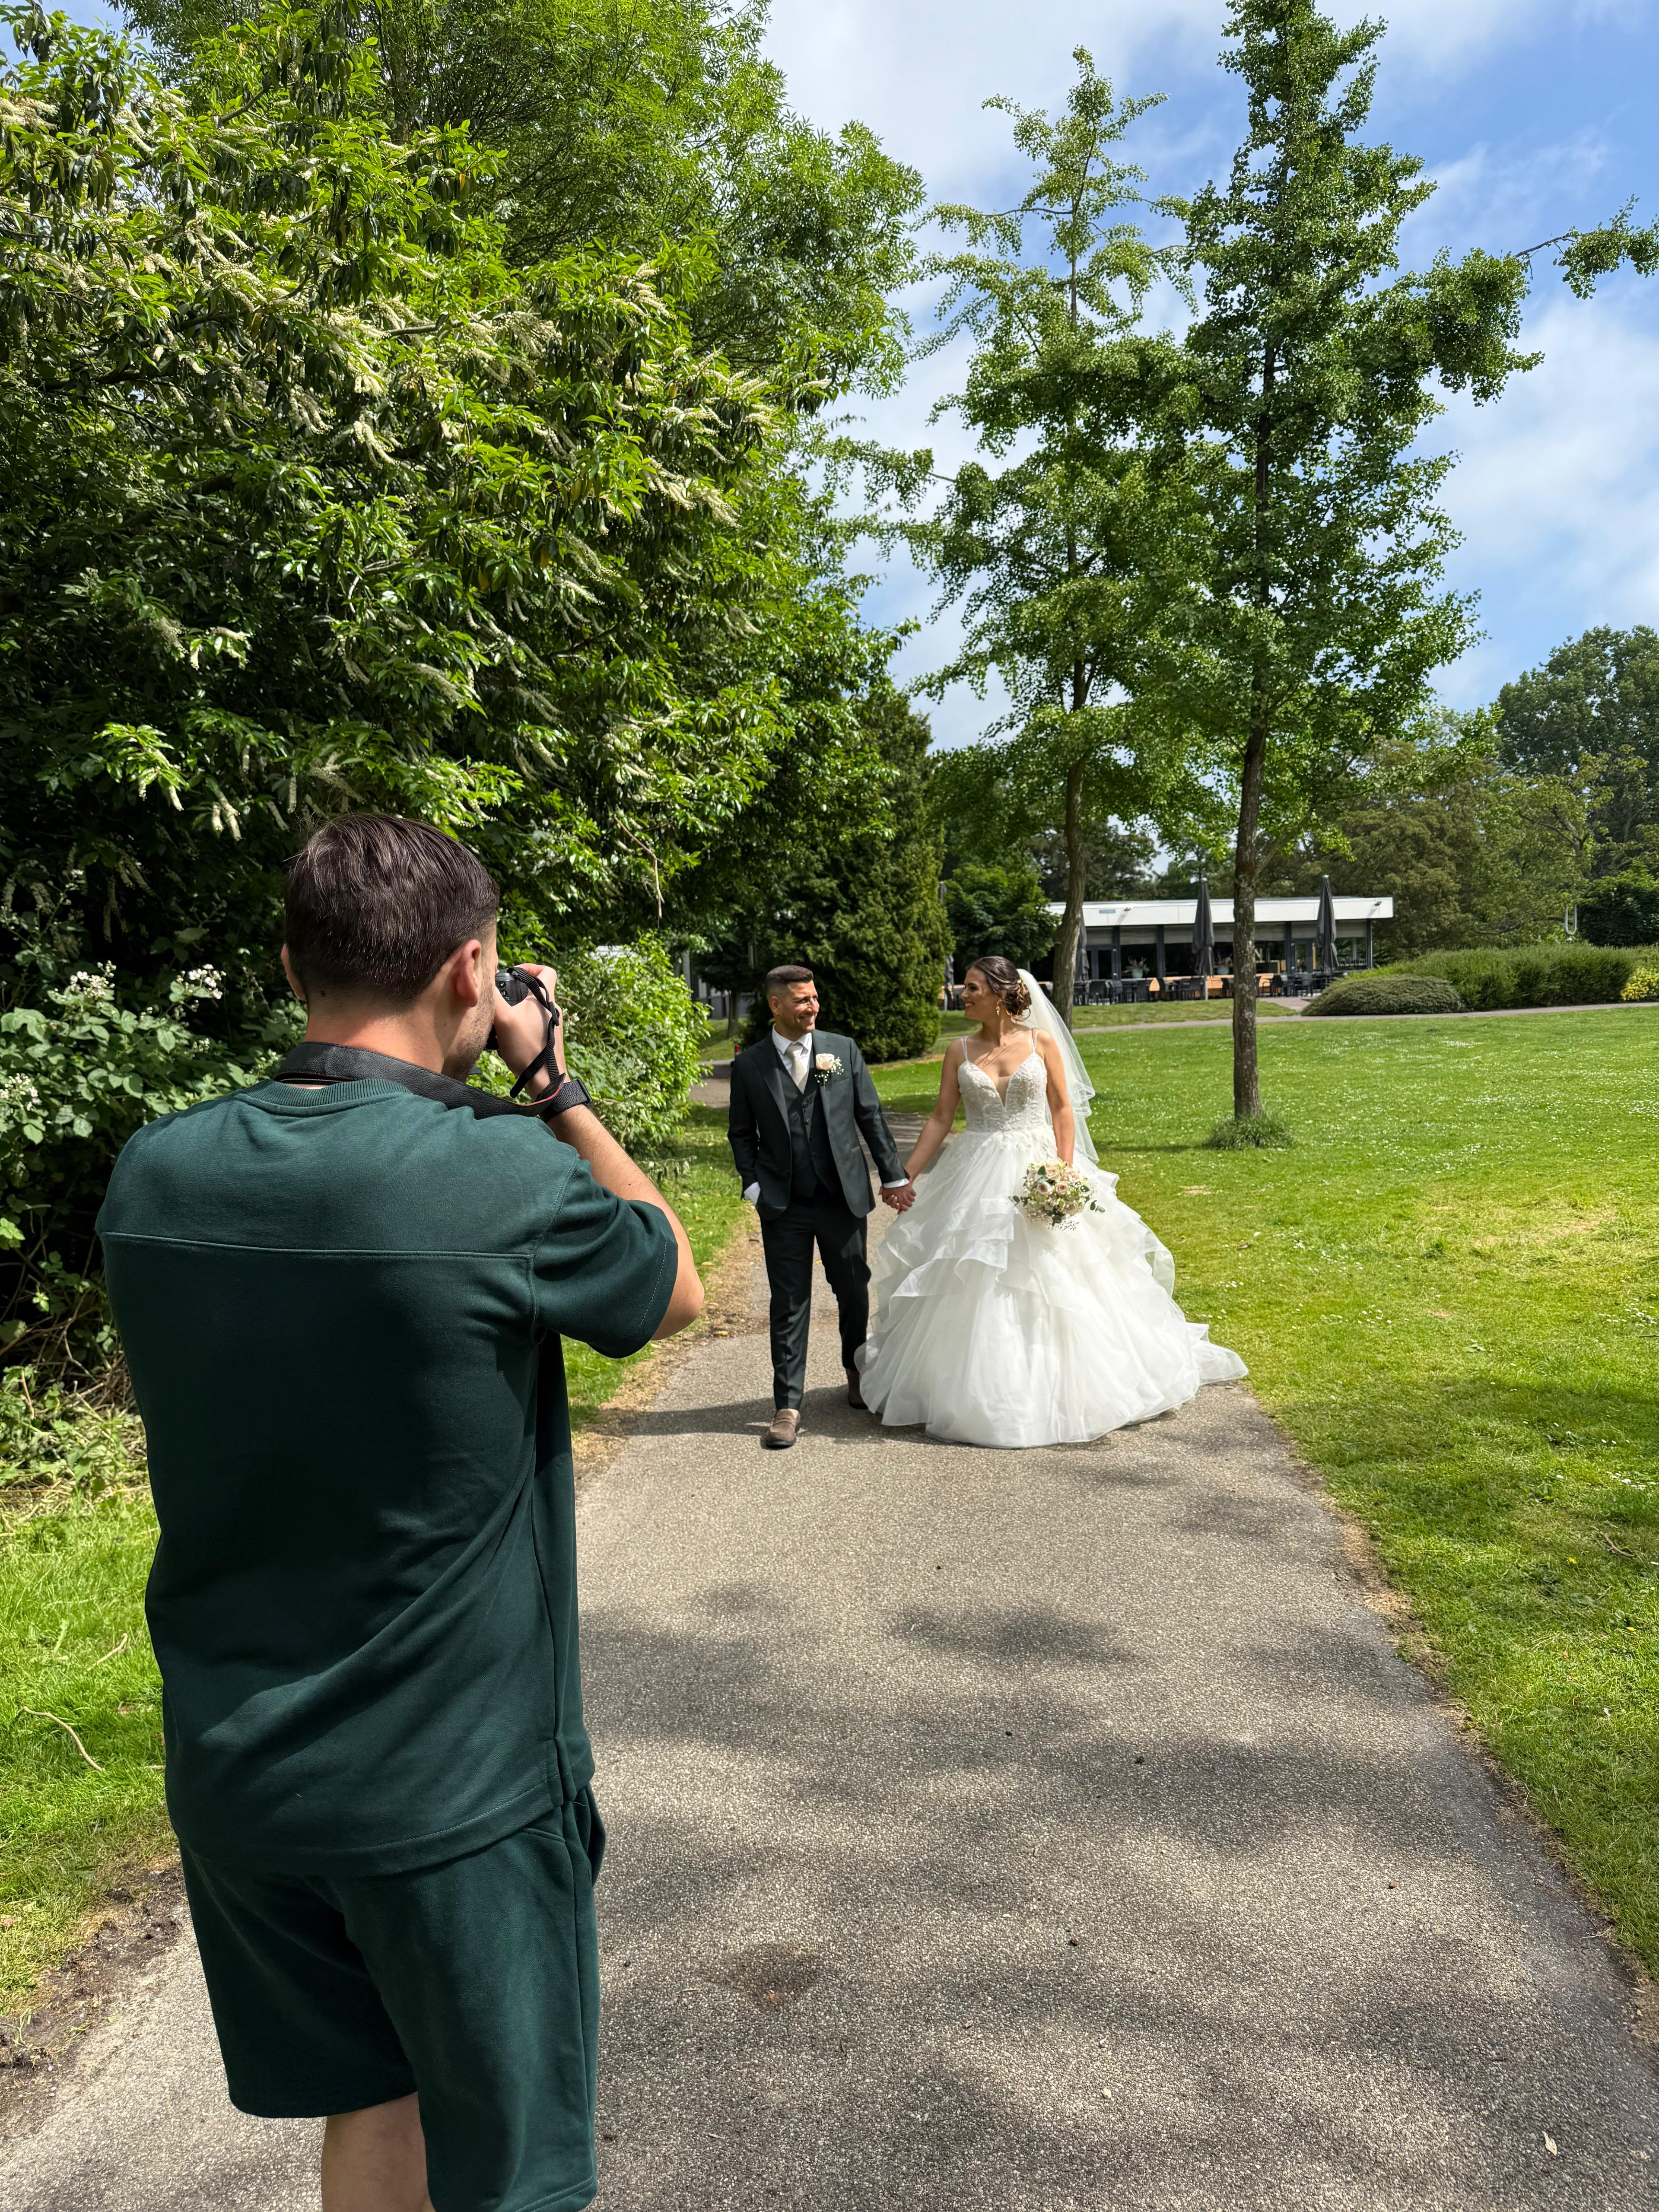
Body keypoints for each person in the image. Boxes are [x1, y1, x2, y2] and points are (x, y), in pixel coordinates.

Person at [97, 814, 704, 2212]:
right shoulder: (493, 1175)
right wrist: (546, 1074)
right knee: (512, 2175)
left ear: (291, 962)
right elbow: (667, 1279)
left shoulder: (157, 1175)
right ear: (472, 969)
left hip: (245, 1779)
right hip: (454, 1794)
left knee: (377, 2105)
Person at [857, 956, 1246, 1448]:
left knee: (1055, 1270)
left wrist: (1062, 1173)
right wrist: (902, 1176)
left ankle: (1072, 1381)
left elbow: (1063, 1108)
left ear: (1002, 992)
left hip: (1039, 1165)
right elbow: (940, 1118)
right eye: (964, 987)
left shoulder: (1041, 1042)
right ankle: (975, 1386)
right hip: (976, 1169)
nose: (963, 994)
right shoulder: (958, 1050)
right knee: (975, 1269)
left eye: (973, 987)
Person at [727, 964, 913, 1449]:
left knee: (853, 1288)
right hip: (783, 1203)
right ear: (776, 1005)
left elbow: (869, 1115)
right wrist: (753, 1186)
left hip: (842, 1196)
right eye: (803, 1000)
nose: (813, 1007)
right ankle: (787, 1404)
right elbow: (741, 1134)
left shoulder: (841, 1050)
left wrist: (893, 1175)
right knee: (789, 1301)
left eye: (814, 998)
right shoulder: (750, 1065)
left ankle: (856, 1371)